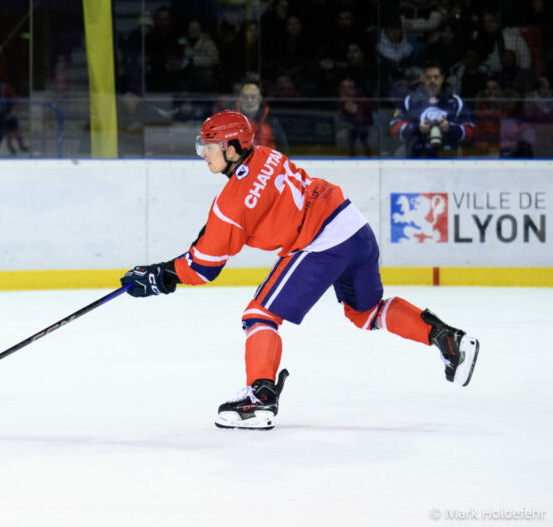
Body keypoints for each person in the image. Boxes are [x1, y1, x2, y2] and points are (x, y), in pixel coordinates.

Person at [119, 110, 479, 430]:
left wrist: (157, 276)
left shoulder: (230, 204)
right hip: (354, 225)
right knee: (366, 311)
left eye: (209, 145)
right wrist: (180, 260)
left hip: (321, 243)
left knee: (259, 313)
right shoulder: (266, 155)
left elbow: (203, 267)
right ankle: (447, 339)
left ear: (231, 147)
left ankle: (259, 399)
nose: (202, 153)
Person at [390, 62, 474, 157]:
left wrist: (450, 128)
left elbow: (470, 132)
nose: (432, 81)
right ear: (423, 79)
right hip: (417, 157)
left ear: (442, 78)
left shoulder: (456, 102)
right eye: (428, 77)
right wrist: (417, 128)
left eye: (436, 77)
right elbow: (395, 129)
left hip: (448, 159)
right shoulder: (409, 101)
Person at [235, 82, 288, 153]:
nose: (249, 100)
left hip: (267, 161)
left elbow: (283, 146)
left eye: (253, 97)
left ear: (260, 99)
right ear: (241, 99)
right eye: (246, 97)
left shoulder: (271, 119)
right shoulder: (232, 117)